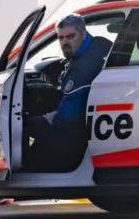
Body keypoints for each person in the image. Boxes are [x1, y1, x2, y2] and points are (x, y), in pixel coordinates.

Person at [23, 14, 111, 172]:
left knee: (24, 124)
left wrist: (42, 118)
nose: (65, 42)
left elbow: (66, 117)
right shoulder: (100, 43)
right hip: (93, 123)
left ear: (83, 33)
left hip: (77, 135)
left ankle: (26, 168)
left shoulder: (82, 68)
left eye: (71, 36)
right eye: (61, 38)